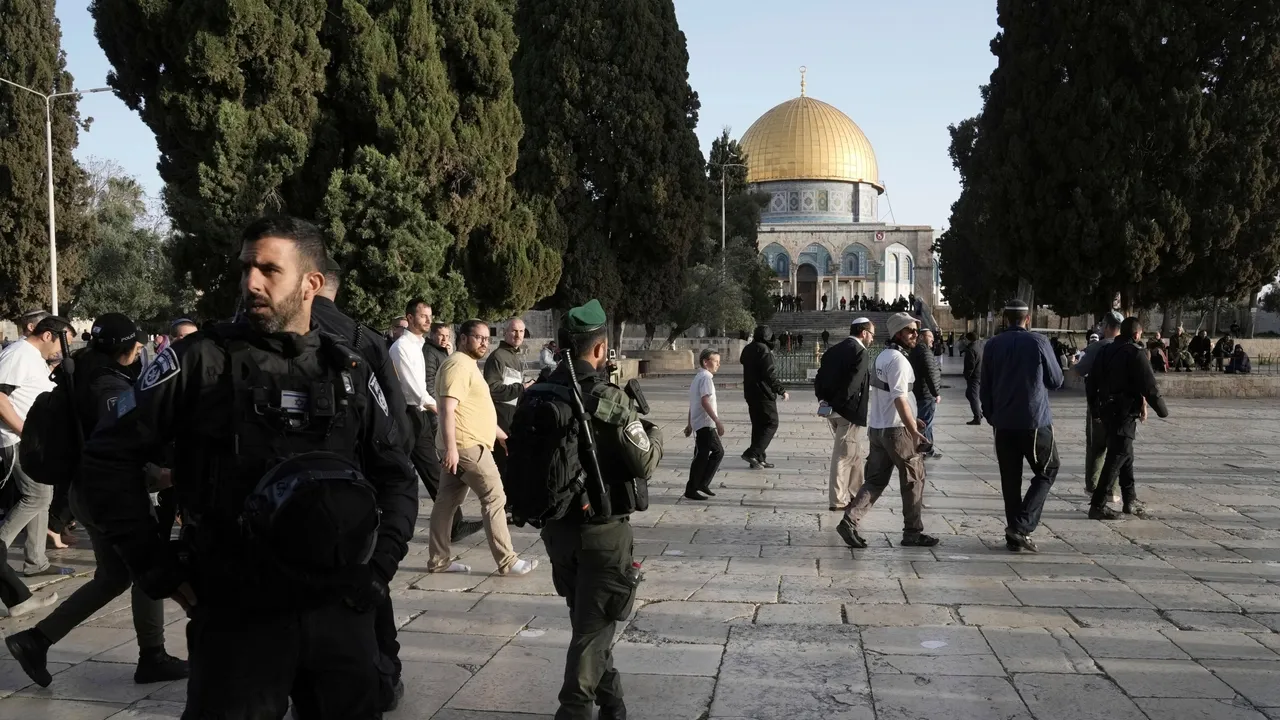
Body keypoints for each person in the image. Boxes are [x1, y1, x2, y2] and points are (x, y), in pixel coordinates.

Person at [56, 216, 418, 717]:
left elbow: (396, 474)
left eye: (269, 269)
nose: (251, 282)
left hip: (337, 608)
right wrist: (152, 564)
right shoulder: (200, 360)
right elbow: (108, 456)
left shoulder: (348, 369)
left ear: (311, 282)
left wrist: (380, 567)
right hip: (237, 608)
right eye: (246, 267)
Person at [6, 313, 188, 688]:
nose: (138, 352)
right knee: (148, 568)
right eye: (136, 346)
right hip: (112, 493)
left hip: (86, 490)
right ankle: (153, 656)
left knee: (113, 577)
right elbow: (117, 442)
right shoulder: (109, 386)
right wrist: (156, 473)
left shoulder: (81, 371)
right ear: (125, 348)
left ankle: (36, 640)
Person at [536, 299, 662, 720]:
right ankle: (573, 711)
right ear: (599, 348)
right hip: (603, 534)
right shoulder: (605, 398)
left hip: (557, 531)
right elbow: (644, 461)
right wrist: (654, 433)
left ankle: (613, 704)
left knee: (589, 625)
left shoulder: (541, 391)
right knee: (591, 633)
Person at [312, 259, 425, 711]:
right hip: (351, 512)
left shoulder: (360, 344)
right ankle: (383, 673)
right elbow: (396, 438)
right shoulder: (366, 340)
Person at [427, 319, 537, 576]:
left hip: (464, 444)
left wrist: (501, 436)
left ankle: (439, 561)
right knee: (495, 496)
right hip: (466, 446)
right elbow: (447, 409)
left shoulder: (467, 365)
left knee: (446, 503)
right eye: (478, 337)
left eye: (487, 338)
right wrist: (452, 449)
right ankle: (507, 560)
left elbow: (475, 411)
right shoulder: (457, 365)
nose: (484, 343)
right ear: (463, 338)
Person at [836, 312, 938, 549]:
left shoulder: (882, 356)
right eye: (910, 331)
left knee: (875, 480)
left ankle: (849, 521)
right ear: (898, 334)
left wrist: (912, 418)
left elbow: (890, 395)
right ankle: (912, 532)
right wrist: (913, 429)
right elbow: (900, 398)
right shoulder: (899, 361)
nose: (915, 335)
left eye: (916, 331)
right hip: (897, 431)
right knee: (914, 479)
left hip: (879, 428)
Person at [979, 300, 1065, 553]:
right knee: (1048, 469)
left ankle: (1013, 535)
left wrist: (991, 415)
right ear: (1028, 319)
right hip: (1033, 420)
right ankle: (1021, 526)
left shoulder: (992, 344)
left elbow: (985, 384)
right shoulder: (1038, 342)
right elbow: (1056, 380)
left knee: (1010, 479)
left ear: (1005, 319)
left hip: (1003, 422)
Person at [0, 315, 75, 578]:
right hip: (18, 439)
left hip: (33, 440)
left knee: (43, 498)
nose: (63, 351)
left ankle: (36, 561)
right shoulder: (18, 354)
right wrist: (25, 431)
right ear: (47, 336)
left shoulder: (33, 357)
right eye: (62, 344)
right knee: (37, 497)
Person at [1087, 317, 1170, 520]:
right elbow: (1149, 386)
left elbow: (1091, 382)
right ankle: (1097, 504)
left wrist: (1095, 409)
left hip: (1107, 410)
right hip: (1123, 412)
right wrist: (1162, 411)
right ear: (1136, 334)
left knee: (1126, 455)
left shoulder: (1105, 350)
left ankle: (1130, 499)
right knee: (1117, 456)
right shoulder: (1135, 353)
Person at [816, 317, 874, 512]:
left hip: (832, 410)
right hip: (848, 412)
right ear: (863, 333)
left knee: (854, 454)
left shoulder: (833, 350)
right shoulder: (860, 352)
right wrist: (838, 405)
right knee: (843, 455)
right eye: (871, 334)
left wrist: (823, 401)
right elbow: (853, 384)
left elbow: (819, 378)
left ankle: (857, 493)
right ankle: (838, 500)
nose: (872, 338)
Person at [1074, 312, 1124, 499]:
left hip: (1099, 404)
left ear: (1107, 327)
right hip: (1122, 406)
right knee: (1116, 448)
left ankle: (1092, 486)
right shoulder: (1130, 348)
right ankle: (1112, 490)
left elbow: (1079, 371)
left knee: (1096, 446)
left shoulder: (1096, 347)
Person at [484, 317, 531, 477]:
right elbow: (492, 389)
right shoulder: (498, 357)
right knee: (502, 470)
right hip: (500, 422)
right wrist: (522, 388)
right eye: (514, 331)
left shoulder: (514, 356)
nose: (518, 335)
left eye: (521, 331)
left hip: (512, 421)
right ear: (504, 332)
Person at [739, 325, 790, 469]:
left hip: (750, 392)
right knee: (771, 423)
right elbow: (769, 374)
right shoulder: (764, 350)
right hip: (763, 393)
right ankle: (752, 453)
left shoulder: (748, 349)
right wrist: (781, 390)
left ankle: (759, 459)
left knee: (758, 425)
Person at [683, 349, 723, 500]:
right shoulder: (706, 378)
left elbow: (692, 403)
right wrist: (717, 421)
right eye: (716, 361)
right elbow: (704, 401)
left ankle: (699, 484)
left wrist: (689, 424)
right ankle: (696, 486)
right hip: (705, 423)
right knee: (713, 453)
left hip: (699, 422)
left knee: (703, 454)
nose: (718, 364)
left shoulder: (698, 377)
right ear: (706, 362)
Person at [908, 327, 942, 458]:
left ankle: (928, 450)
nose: (933, 339)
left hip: (919, 392)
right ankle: (920, 450)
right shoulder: (925, 352)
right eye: (930, 337)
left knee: (926, 423)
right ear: (921, 337)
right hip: (926, 394)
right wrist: (936, 393)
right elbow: (930, 373)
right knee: (924, 424)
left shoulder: (915, 351)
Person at [962, 332, 982, 425]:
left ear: (968, 339)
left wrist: (967, 376)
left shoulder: (970, 349)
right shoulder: (978, 347)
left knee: (973, 396)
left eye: (965, 339)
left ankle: (977, 417)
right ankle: (979, 413)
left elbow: (970, 365)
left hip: (974, 376)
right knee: (969, 394)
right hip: (979, 374)